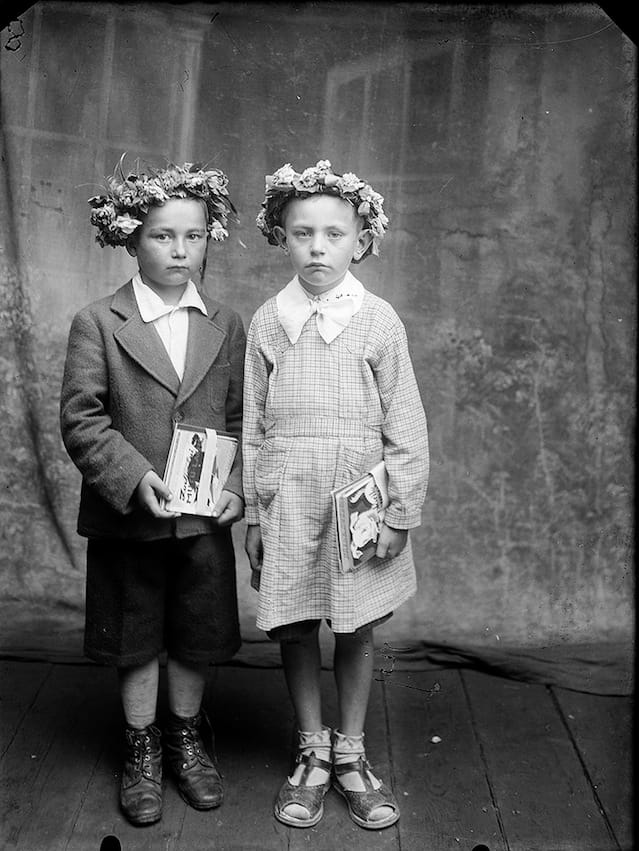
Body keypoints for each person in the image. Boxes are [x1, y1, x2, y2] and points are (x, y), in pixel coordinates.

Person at [243, 160, 429, 830]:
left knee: (354, 623)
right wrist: (258, 512)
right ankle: (311, 749)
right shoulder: (270, 322)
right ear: (281, 238)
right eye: (302, 233)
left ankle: (351, 751)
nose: (317, 246)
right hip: (290, 494)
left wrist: (401, 510)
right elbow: (255, 427)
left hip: (359, 497)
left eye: (333, 233)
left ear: (361, 240)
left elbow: (404, 420)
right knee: (294, 620)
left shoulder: (378, 321)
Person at [60, 159, 245, 826]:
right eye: (164, 236)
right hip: (130, 517)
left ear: (208, 239)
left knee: (196, 632)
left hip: (199, 519)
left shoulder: (225, 321)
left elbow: (236, 419)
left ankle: (186, 737)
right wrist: (137, 478)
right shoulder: (99, 321)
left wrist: (234, 488)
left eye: (193, 236)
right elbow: (81, 420)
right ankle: (141, 746)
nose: (179, 250)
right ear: (133, 238)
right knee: (134, 635)